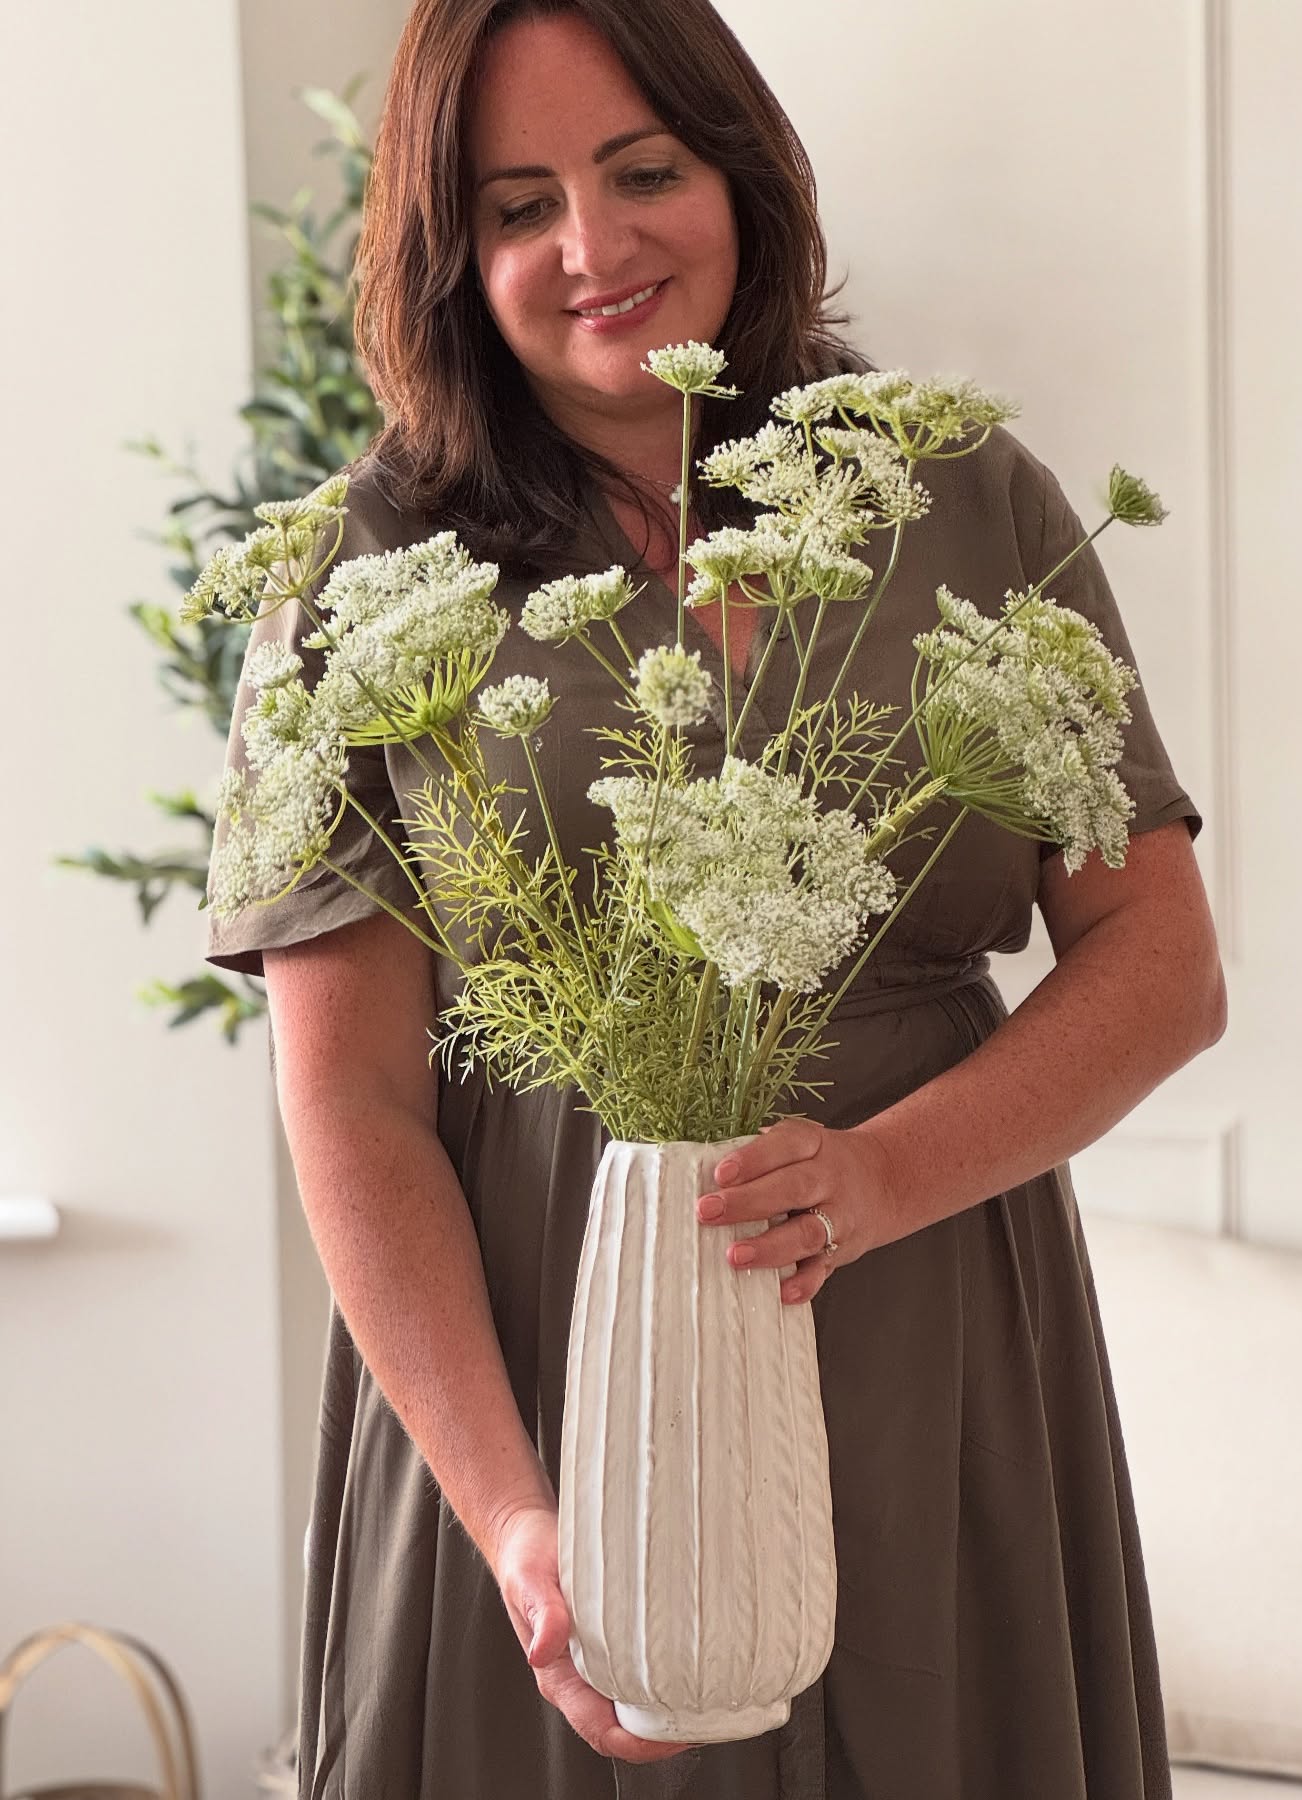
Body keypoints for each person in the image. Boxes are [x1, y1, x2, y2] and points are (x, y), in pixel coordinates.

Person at [204, 1, 1225, 1793]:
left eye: (643, 170)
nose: (592, 247)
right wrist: (516, 1518)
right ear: (450, 255)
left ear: (741, 174)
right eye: (518, 206)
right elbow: (349, 1101)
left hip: (930, 1333)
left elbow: (1162, 963)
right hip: (529, 1365)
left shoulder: (968, 497)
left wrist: (884, 1177)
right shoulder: (363, 566)